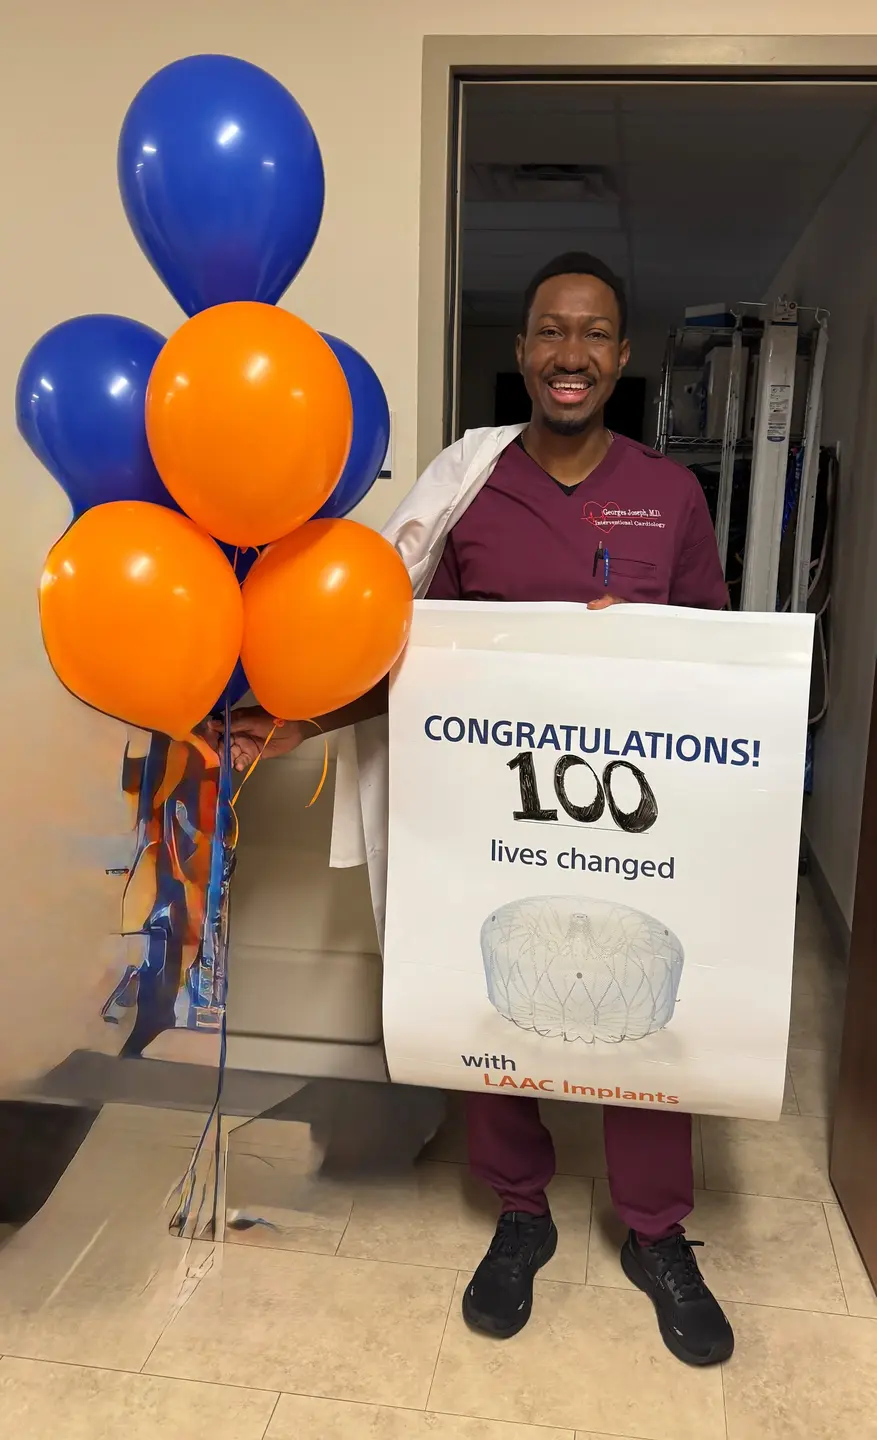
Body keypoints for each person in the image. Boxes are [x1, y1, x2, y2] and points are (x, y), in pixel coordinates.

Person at [223, 252, 734, 1367]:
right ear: (520, 351)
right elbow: (395, 649)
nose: (570, 355)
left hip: (630, 816)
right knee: (505, 1007)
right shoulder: (471, 493)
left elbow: (719, 659)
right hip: (498, 819)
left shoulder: (672, 494)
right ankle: (519, 1214)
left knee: (636, 1009)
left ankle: (657, 1234)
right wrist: (299, 720)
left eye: (594, 334)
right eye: (550, 331)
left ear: (622, 357)